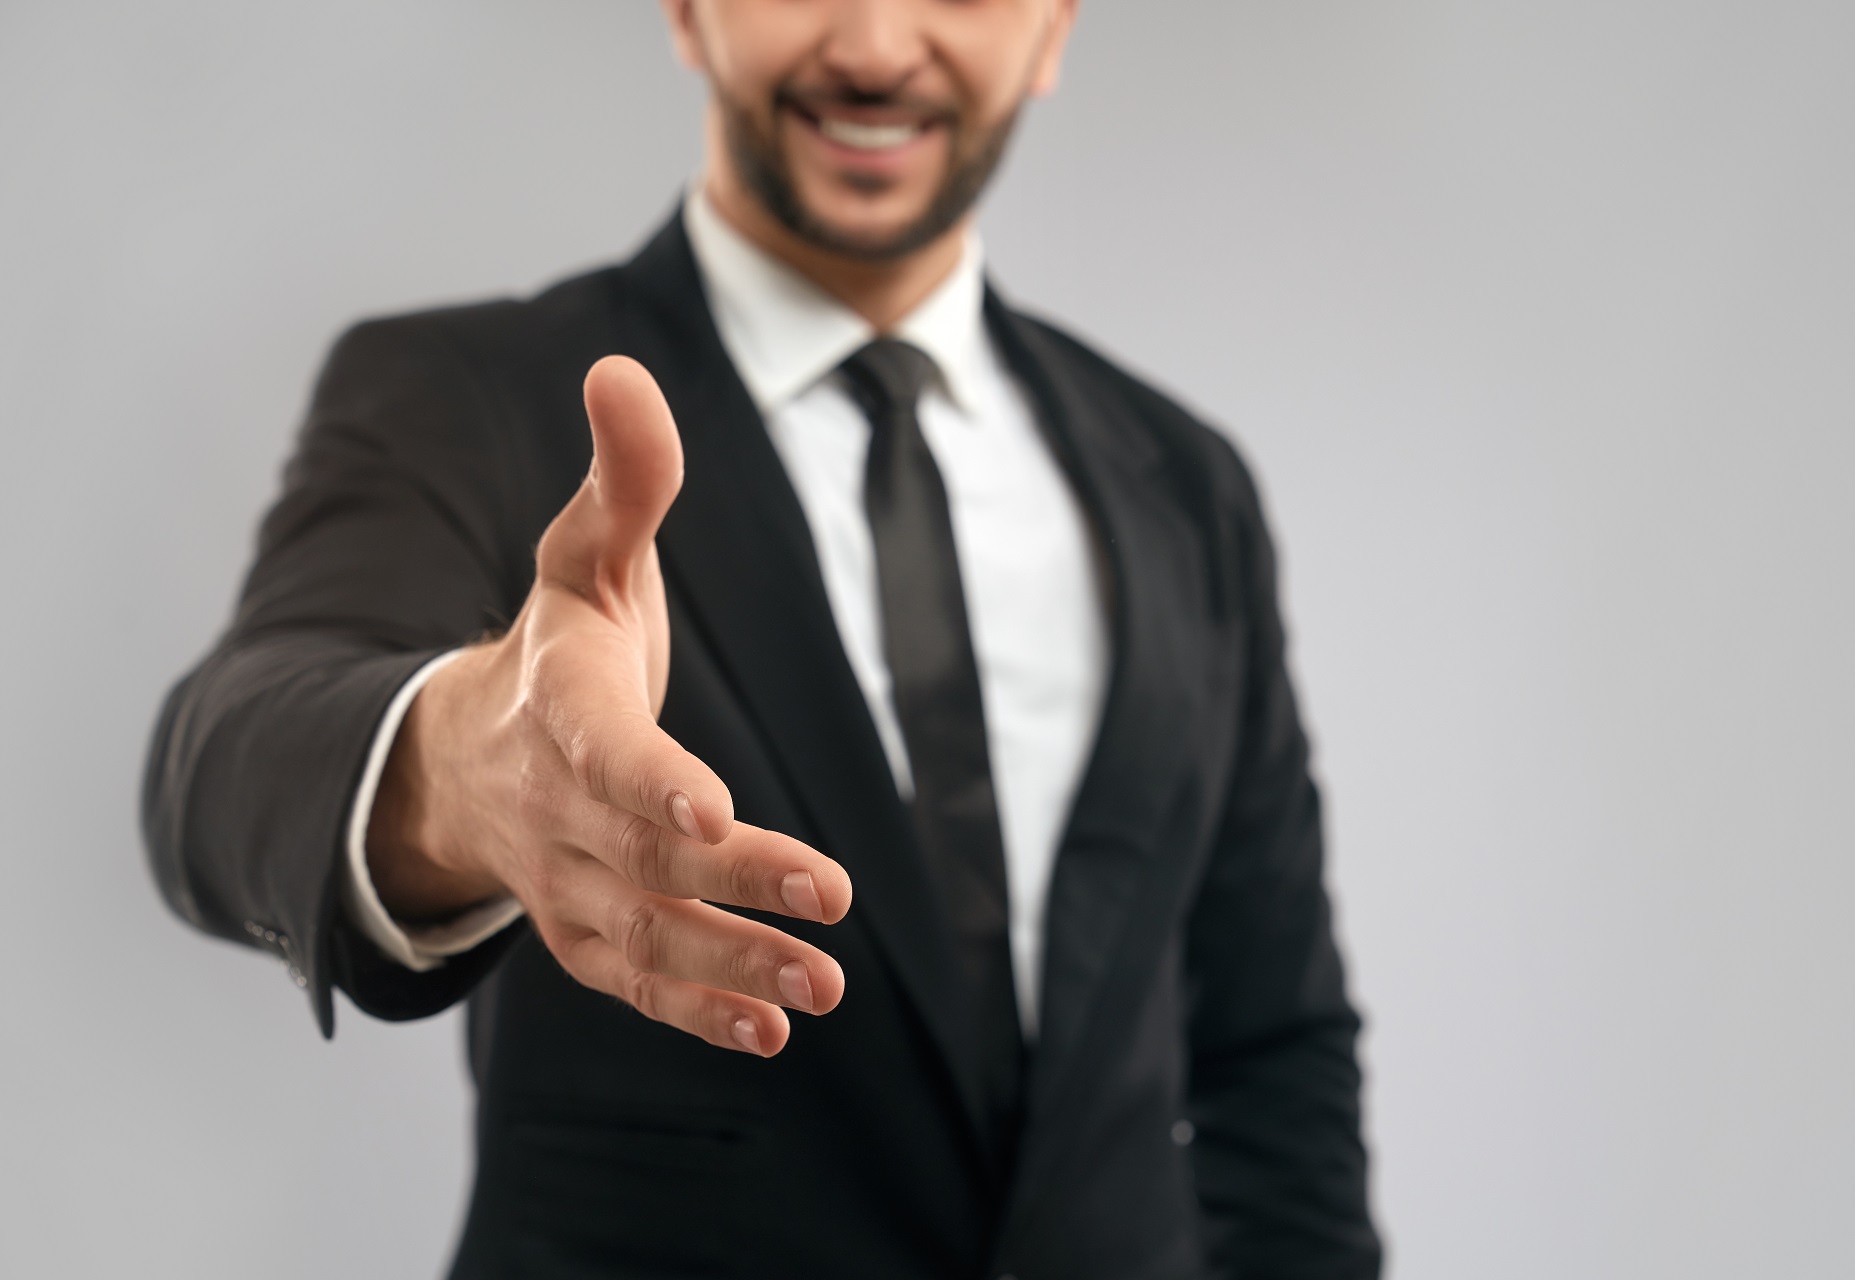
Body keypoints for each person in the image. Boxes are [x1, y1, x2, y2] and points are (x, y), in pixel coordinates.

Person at [142, 2, 1381, 1275]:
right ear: (687, 10)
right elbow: (229, 748)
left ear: (1055, 28)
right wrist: (455, 766)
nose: (878, 48)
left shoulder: (1184, 484)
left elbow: (1270, 1047)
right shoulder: (470, 393)